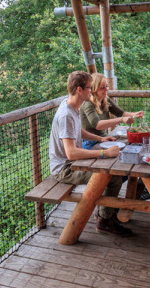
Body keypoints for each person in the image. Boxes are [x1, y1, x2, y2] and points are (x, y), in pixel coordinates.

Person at [49, 71, 133, 236]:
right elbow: (71, 153)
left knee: (113, 171)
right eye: (89, 88)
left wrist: (100, 140)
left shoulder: (71, 106)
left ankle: (107, 215)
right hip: (65, 168)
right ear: (79, 89)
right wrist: (104, 153)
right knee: (111, 176)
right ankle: (104, 220)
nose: (92, 91)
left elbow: (78, 131)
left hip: (72, 163)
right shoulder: (66, 114)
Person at [80, 73, 144, 150]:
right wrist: (121, 119)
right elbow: (98, 125)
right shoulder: (88, 103)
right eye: (102, 88)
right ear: (94, 89)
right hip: (90, 142)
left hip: (104, 139)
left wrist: (134, 114)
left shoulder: (105, 99)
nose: (106, 89)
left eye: (106, 86)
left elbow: (120, 113)